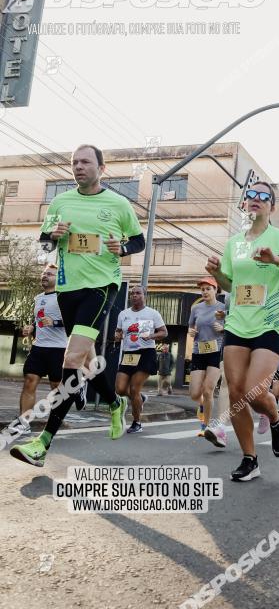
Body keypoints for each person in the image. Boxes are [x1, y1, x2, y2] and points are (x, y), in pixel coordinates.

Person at [10, 144, 145, 468]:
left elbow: (138, 240)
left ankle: (43, 444)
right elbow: (44, 244)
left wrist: (122, 246)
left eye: (85, 162)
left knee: (71, 359)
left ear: (102, 168)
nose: (78, 167)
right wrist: (53, 236)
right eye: (74, 162)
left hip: (100, 289)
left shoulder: (117, 204)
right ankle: (114, 404)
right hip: (67, 290)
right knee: (88, 364)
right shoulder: (60, 202)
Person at [205, 181, 279, 481]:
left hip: (268, 325)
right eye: (249, 196)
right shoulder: (234, 243)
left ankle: (277, 420)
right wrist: (217, 273)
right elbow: (231, 285)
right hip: (237, 324)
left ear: (272, 207)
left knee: (254, 392)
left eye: (262, 197)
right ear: (245, 204)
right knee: (237, 392)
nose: (254, 200)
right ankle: (250, 459)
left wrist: (276, 260)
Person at [7, 263, 76, 438]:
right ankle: (24, 423)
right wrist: (31, 328)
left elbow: (73, 323)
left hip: (59, 349)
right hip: (39, 348)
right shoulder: (38, 298)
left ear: (58, 279)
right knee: (29, 381)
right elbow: (37, 320)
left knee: (57, 388)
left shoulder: (64, 297)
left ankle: (54, 423)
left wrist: (55, 323)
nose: (45, 276)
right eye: (44, 273)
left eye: (50, 274)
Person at [115, 285, 167, 434]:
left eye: (138, 293)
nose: (135, 295)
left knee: (133, 388)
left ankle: (137, 422)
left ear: (145, 296)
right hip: (128, 354)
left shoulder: (152, 313)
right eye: (132, 293)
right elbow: (118, 332)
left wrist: (151, 336)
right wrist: (117, 335)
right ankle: (140, 397)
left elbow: (164, 332)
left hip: (146, 353)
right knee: (119, 388)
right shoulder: (123, 314)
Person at [188, 277, 226, 446]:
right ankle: (201, 405)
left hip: (215, 352)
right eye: (202, 289)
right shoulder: (196, 308)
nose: (204, 292)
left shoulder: (224, 308)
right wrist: (191, 332)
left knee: (208, 389)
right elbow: (191, 326)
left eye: (208, 289)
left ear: (216, 290)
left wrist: (224, 328)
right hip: (198, 351)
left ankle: (206, 425)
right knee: (195, 393)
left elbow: (233, 327)